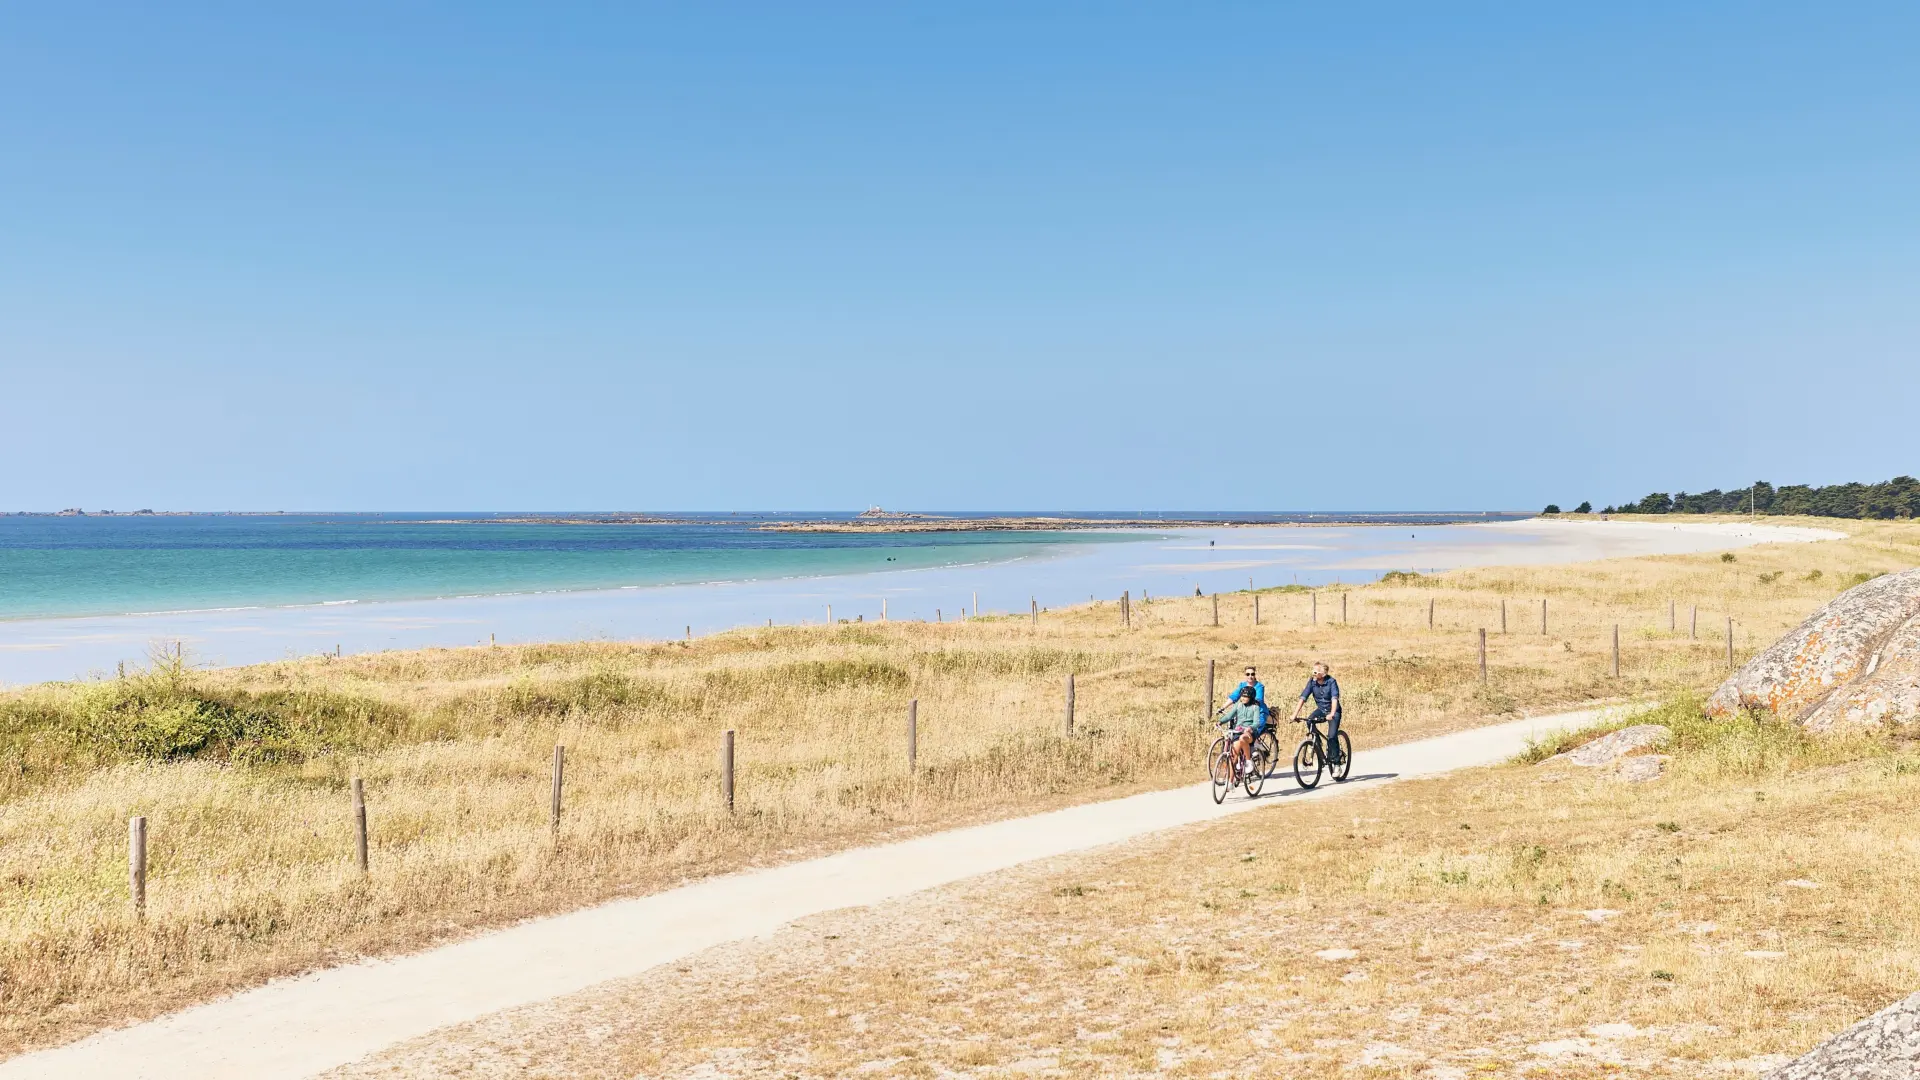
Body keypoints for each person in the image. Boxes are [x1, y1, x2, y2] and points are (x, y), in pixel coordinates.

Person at [1291, 661, 1344, 764]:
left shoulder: (1331, 682)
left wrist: (1332, 713)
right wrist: (1294, 714)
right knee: (1309, 721)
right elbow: (1303, 698)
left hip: (1334, 711)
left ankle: (1337, 762)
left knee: (1332, 736)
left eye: (1316, 672)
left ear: (1323, 674)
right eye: (1313, 671)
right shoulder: (1312, 682)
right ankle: (1317, 743)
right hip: (1321, 710)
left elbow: (1334, 699)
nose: (1313, 673)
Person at [1215, 684, 1268, 777]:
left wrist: (1250, 727)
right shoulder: (1238, 705)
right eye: (1242, 696)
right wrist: (1220, 721)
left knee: (1243, 738)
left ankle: (1248, 761)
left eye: (1245, 696)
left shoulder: (1255, 707)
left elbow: (1256, 722)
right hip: (1238, 731)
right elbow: (1229, 715)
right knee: (1233, 757)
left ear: (1251, 697)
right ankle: (1230, 782)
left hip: (1249, 733)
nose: (1243, 698)